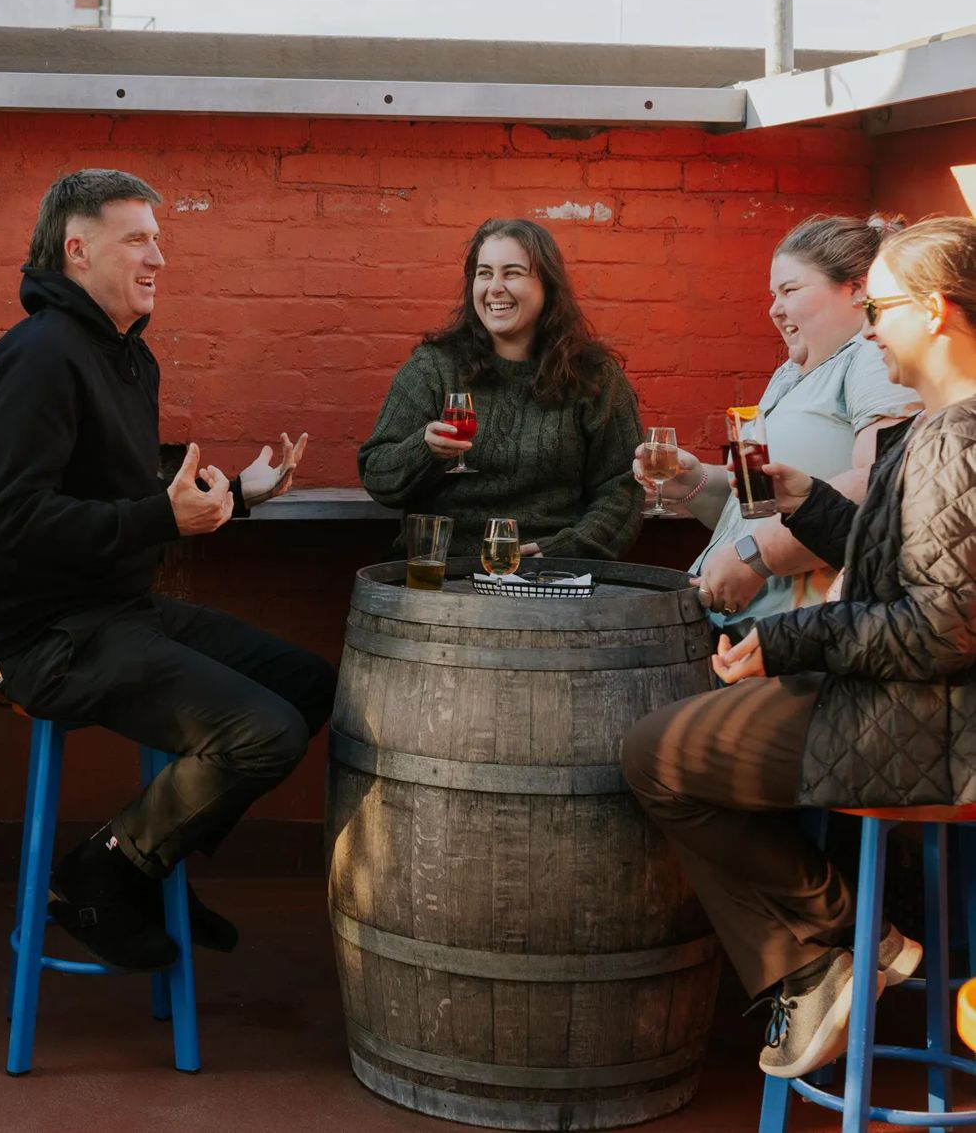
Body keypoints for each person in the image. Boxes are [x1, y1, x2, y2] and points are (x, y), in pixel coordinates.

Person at [621, 216, 976, 1081]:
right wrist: (807, 498)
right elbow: (890, 548)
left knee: (655, 756)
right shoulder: (938, 427)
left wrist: (784, 641)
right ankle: (836, 957)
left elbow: (939, 625)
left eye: (881, 305)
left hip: (937, 730)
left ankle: (832, 952)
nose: (870, 326)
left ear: (932, 312)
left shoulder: (956, 438)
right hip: (913, 705)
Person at [0, 168, 336, 972]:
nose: (158, 256)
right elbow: (15, 522)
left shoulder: (129, 357)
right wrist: (164, 517)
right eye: (138, 239)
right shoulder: (41, 356)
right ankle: (108, 872)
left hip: (116, 610)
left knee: (311, 689)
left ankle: (152, 861)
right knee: (262, 733)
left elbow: (130, 502)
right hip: (43, 638)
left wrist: (239, 492)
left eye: (157, 240)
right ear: (78, 248)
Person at [639, 214, 918, 628]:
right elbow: (759, 509)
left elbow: (879, 485)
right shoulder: (791, 373)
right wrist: (694, 483)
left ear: (857, 289)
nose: (774, 309)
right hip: (745, 627)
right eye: (773, 293)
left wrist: (756, 557)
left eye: (791, 289)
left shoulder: (871, 359)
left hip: (803, 630)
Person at [358, 216, 642, 560]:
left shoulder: (594, 376)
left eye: (512, 273)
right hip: (444, 574)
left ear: (548, 287)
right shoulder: (433, 367)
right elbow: (377, 474)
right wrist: (424, 449)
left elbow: (622, 489)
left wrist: (566, 550)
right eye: (484, 273)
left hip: (551, 576)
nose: (495, 287)